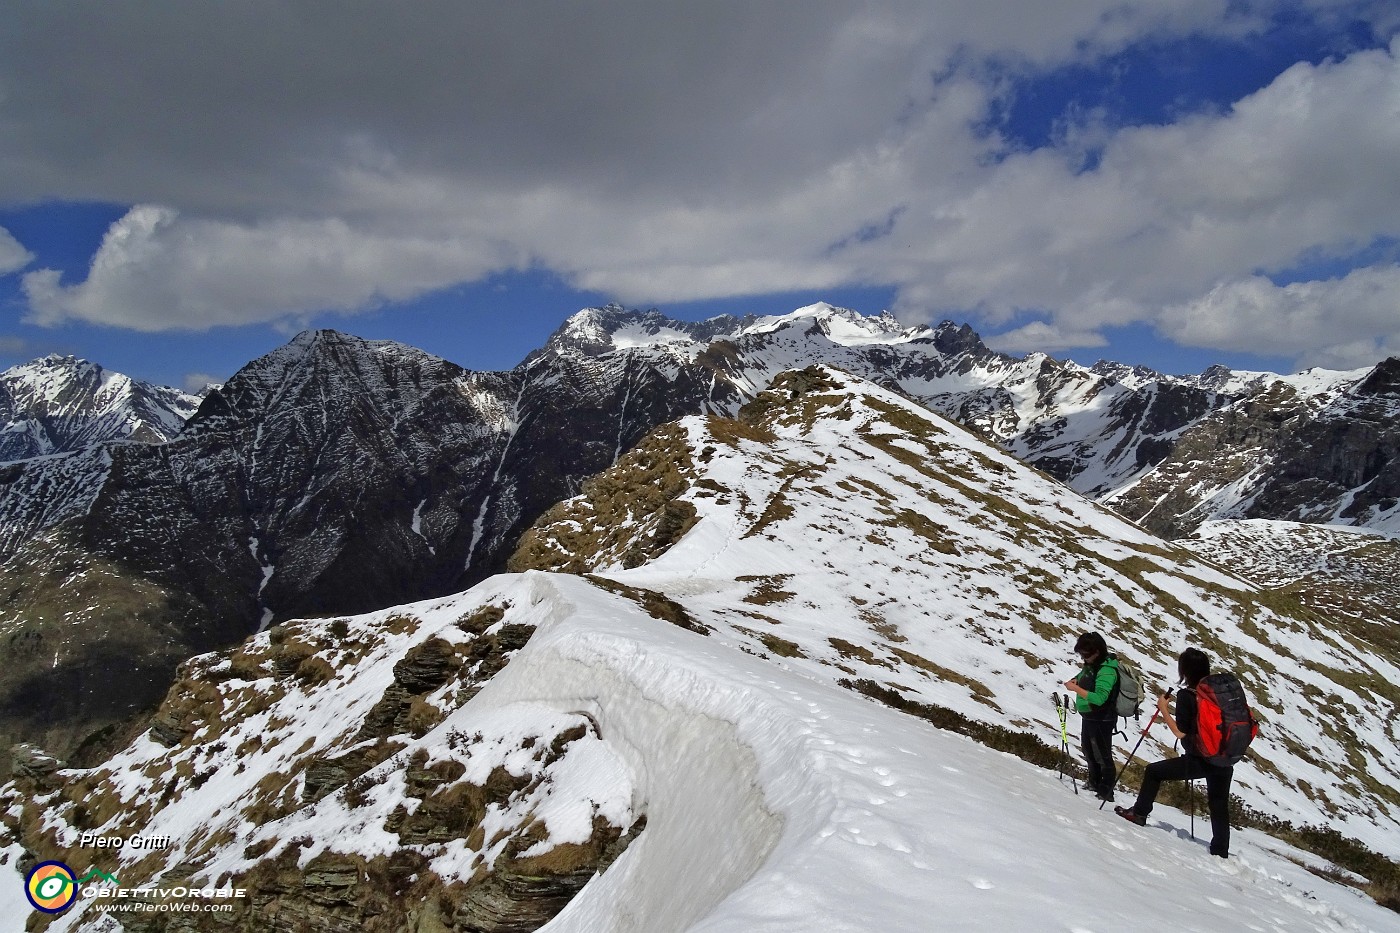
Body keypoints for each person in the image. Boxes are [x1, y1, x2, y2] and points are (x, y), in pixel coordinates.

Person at [1115, 647, 1233, 858]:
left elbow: (1180, 733)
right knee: (1218, 802)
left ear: (1185, 671)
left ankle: (1139, 813)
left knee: (1153, 772)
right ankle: (1221, 850)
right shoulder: (1220, 692)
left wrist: (1163, 708)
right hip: (1225, 757)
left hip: (1200, 758)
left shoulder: (1188, 696)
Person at [1062, 632, 1120, 802]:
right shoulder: (1091, 665)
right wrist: (1075, 680)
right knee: (1088, 749)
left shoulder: (1107, 671)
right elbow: (1082, 678)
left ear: (1097, 651)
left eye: (1086, 654)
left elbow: (1100, 698)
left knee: (1103, 754)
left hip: (1103, 718)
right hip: (1090, 716)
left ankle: (1106, 791)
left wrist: (1075, 689)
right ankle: (1094, 782)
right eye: (1081, 654)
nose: (1083, 658)